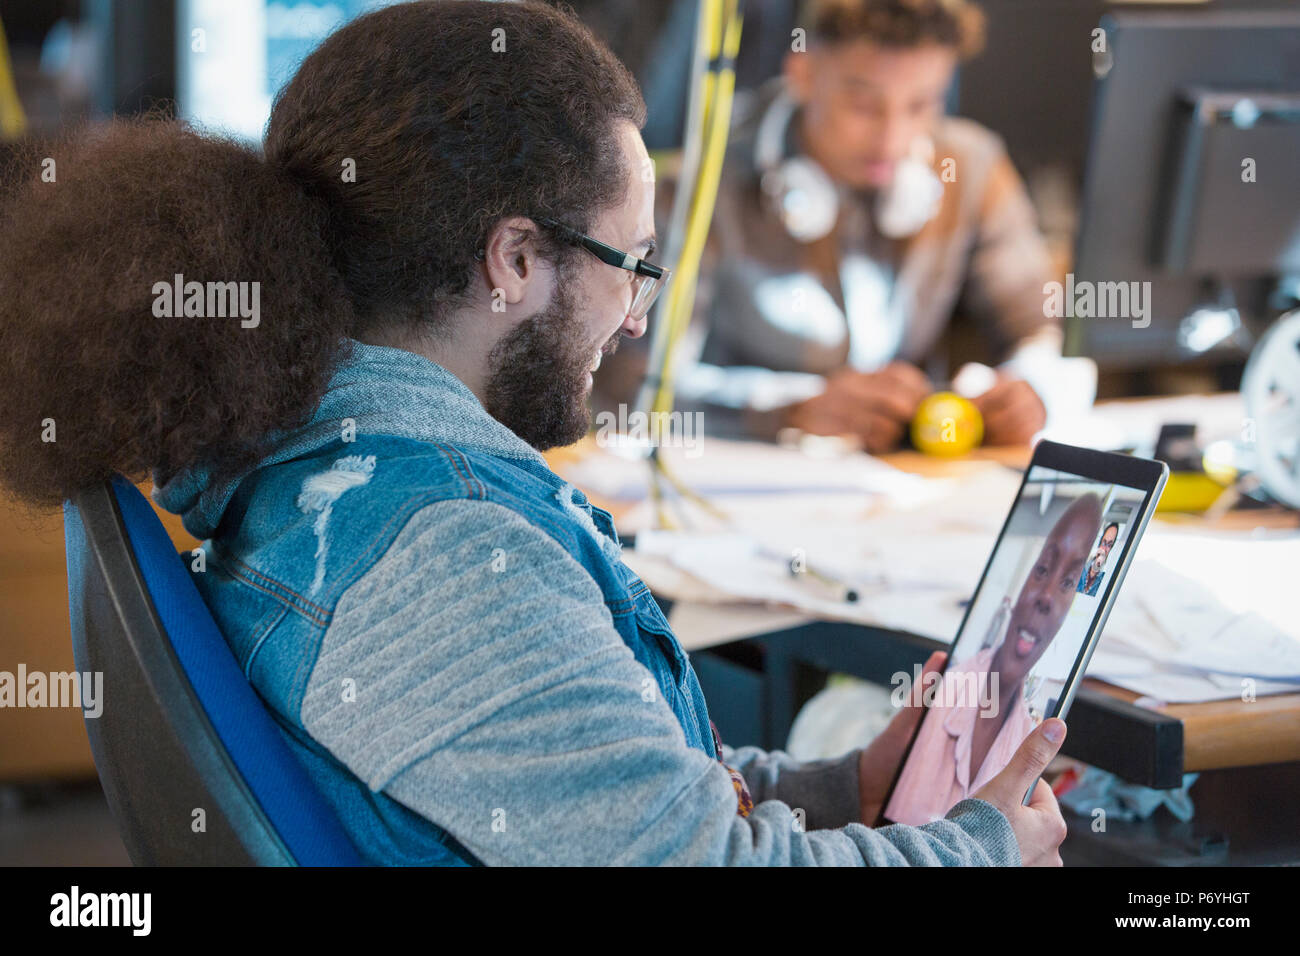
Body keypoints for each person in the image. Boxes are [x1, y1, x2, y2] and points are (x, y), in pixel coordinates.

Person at [0, 1, 1069, 866]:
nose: (638, 312)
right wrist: (979, 847)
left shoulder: (308, 461)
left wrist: (846, 788)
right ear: (514, 260)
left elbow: (584, 780)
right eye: (633, 265)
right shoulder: (451, 548)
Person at [609, 0, 1082, 452]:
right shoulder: (701, 184)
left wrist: (1033, 387)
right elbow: (630, 386)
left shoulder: (972, 168)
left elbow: (1039, 328)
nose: (892, 138)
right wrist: (788, 411)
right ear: (802, 72)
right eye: (863, 106)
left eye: (920, 105)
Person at [885, 493, 1103, 825]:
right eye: (1042, 570)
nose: (1045, 597)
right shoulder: (949, 690)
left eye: (1068, 582)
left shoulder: (1026, 737)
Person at [1078, 521, 1119, 596]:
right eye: (1104, 542)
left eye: (1109, 545)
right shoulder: (1081, 567)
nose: (1104, 549)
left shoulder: (1105, 580)